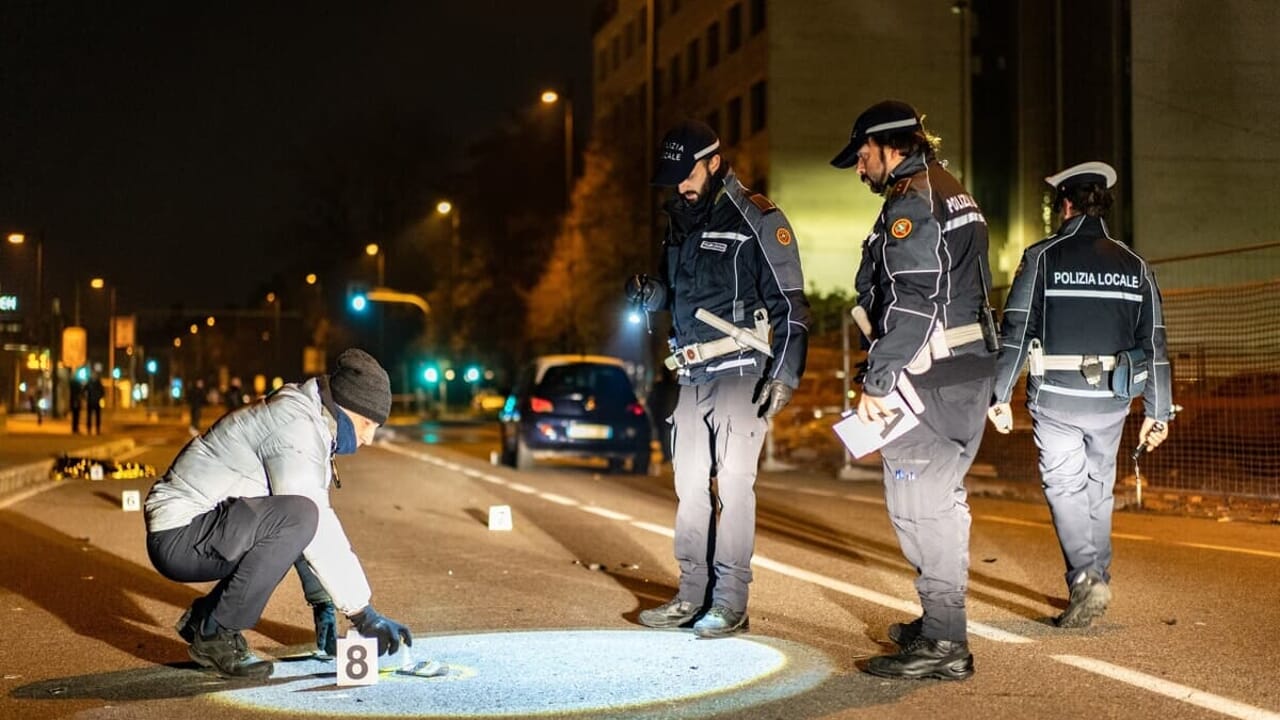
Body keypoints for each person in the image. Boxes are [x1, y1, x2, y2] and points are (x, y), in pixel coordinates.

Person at [830, 100, 997, 680]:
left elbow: (912, 298)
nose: (859, 169)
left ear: (888, 146)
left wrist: (878, 380)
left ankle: (946, 643)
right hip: (961, 370)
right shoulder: (950, 190)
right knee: (937, 502)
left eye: (861, 157)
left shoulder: (914, 204)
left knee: (920, 507)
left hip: (928, 376)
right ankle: (937, 623)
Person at [627, 119, 810, 638]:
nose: (680, 186)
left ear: (713, 162)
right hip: (691, 373)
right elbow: (678, 292)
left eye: (686, 175)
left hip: (740, 372)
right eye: (672, 179)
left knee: (733, 486)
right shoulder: (681, 220)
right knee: (689, 488)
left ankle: (730, 601)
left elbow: (791, 305)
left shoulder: (757, 217)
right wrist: (651, 293)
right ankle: (690, 596)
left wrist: (786, 373)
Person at [144, 348, 413, 678]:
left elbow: (300, 524)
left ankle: (206, 619)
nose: (369, 438)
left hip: (198, 527)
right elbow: (309, 519)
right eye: (367, 423)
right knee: (300, 513)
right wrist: (362, 613)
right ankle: (215, 635)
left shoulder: (309, 419)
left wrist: (324, 603)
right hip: (181, 536)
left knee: (297, 515)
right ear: (344, 407)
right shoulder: (295, 427)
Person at [988, 161, 1172, 629]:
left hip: (1057, 397)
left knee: (1064, 486)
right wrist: (1159, 409)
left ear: (1065, 205)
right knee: (1097, 488)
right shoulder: (1135, 264)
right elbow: (1155, 342)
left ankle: (1088, 578)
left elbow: (1016, 330)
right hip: (1113, 400)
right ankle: (1097, 575)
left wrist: (999, 392)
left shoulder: (1043, 256)